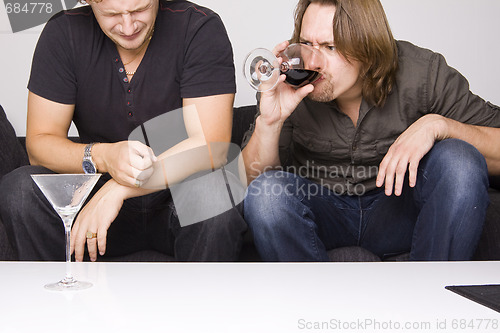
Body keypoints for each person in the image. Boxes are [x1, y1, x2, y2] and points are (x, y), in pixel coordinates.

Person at [241, 0, 500, 261]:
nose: (314, 61)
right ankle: (313, 299)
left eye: (331, 47)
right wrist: (270, 122)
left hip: (398, 210)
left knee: (459, 159)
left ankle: (428, 293)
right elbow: (249, 188)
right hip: (322, 212)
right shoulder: (288, 80)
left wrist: (440, 125)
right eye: (307, 44)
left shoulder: (423, 73)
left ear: (368, 47)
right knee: (267, 193)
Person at [0, 0, 247, 262]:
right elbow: (39, 145)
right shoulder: (64, 33)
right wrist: (104, 157)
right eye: (112, 14)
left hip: (177, 198)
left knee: (216, 194)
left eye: (140, 10)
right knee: (20, 190)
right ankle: (58, 299)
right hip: (95, 202)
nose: (128, 26)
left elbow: (212, 146)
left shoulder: (199, 27)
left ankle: (201, 303)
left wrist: (120, 189)